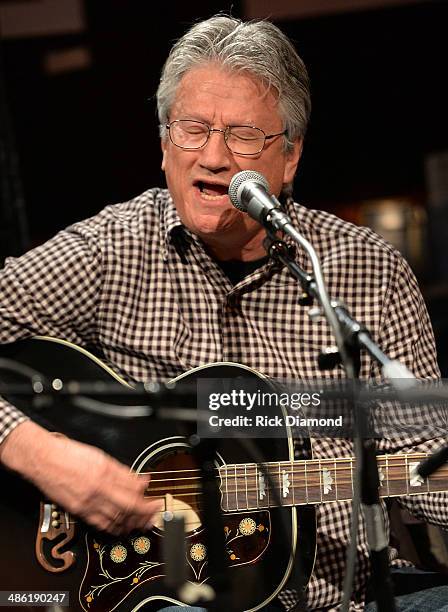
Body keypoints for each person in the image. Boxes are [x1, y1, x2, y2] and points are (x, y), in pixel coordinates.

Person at [0, 14, 447, 612]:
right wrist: (38, 452)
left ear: (289, 158)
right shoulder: (109, 251)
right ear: (164, 144)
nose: (213, 156)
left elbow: (429, 463)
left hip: (348, 598)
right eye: (193, 129)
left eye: (242, 135)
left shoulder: (367, 269)